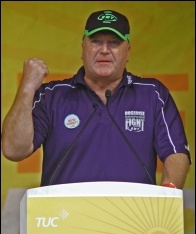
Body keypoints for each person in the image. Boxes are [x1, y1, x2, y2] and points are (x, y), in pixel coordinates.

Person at [1, 9, 191, 190]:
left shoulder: (153, 94)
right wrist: (27, 88)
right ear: (83, 48)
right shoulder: (51, 95)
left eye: (114, 42)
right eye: (96, 42)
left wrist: (167, 195)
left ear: (128, 51)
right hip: (64, 218)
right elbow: (13, 150)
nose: (105, 50)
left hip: (134, 219)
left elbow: (176, 152)